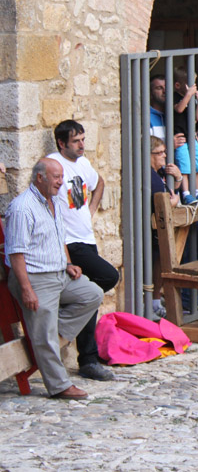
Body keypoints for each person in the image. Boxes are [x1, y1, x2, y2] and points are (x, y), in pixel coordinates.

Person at [4, 159, 105, 399]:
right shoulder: (22, 208)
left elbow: (60, 239)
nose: (61, 182)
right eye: (57, 177)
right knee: (44, 332)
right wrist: (26, 289)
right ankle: (59, 386)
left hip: (59, 274)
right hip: (35, 278)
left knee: (93, 294)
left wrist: (68, 264)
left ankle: (47, 333)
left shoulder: (56, 202)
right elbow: (16, 253)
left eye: (61, 177)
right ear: (40, 178)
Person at [46, 120, 118, 381]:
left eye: (83, 139)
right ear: (61, 143)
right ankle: (79, 344)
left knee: (90, 296)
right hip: (70, 242)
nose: (81, 145)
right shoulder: (54, 164)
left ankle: (88, 359)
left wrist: (91, 210)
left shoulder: (84, 164)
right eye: (76, 141)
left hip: (86, 238)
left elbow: (99, 182)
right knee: (109, 277)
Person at [148, 136, 182, 318]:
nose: (164, 156)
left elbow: (169, 193)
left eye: (164, 152)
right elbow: (161, 203)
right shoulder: (150, 176)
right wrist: (173, 203)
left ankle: (154, 301)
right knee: (156, 262)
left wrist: (178, 178)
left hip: (158, 229)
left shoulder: (158, 173)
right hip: (151, 230)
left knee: (160, 261)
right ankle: (151, 303)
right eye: (159, 153)